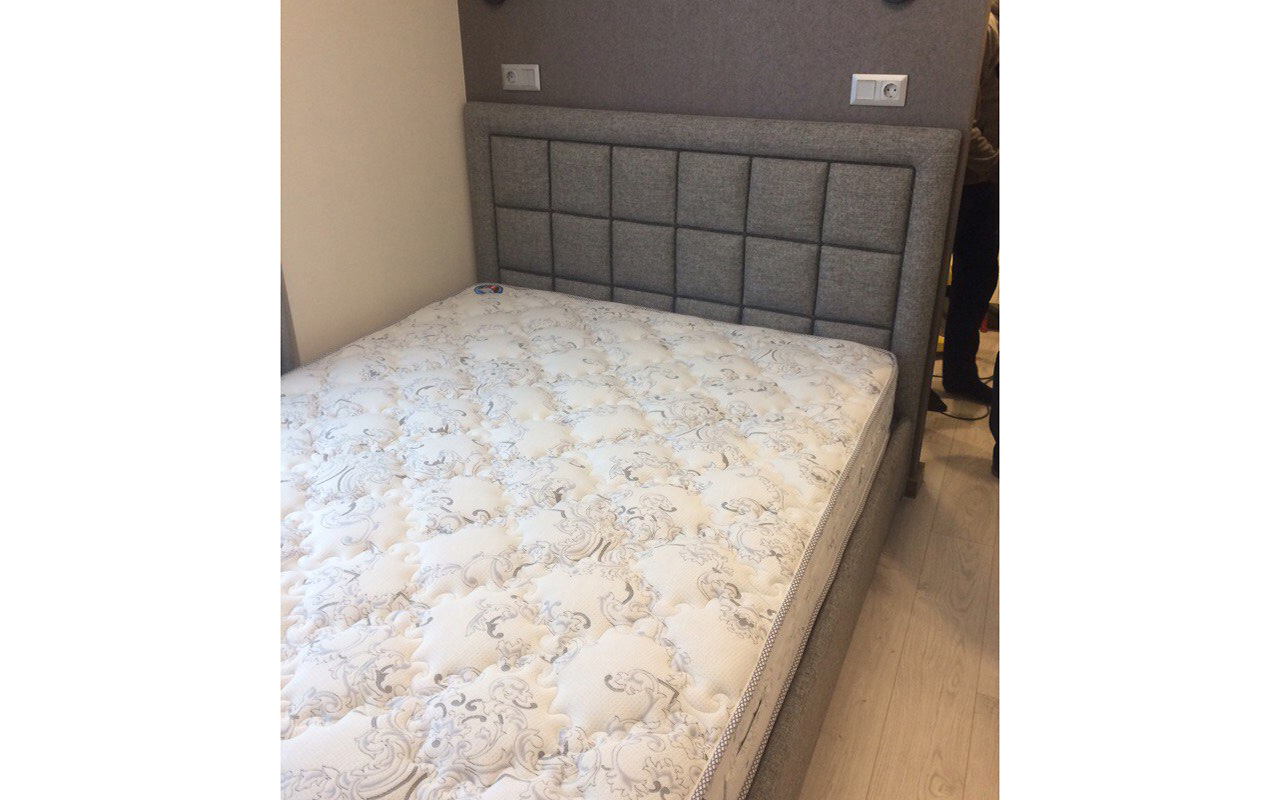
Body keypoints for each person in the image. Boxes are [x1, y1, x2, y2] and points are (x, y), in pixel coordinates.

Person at [943, 1, 999, 405]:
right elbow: (964, 115)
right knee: (967, 278)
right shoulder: (981, 25)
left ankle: (959, 374)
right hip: (972, 179)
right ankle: (953, 376)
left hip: (980, 177)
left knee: (976, 278)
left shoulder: (990, 23)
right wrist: (998, 166)